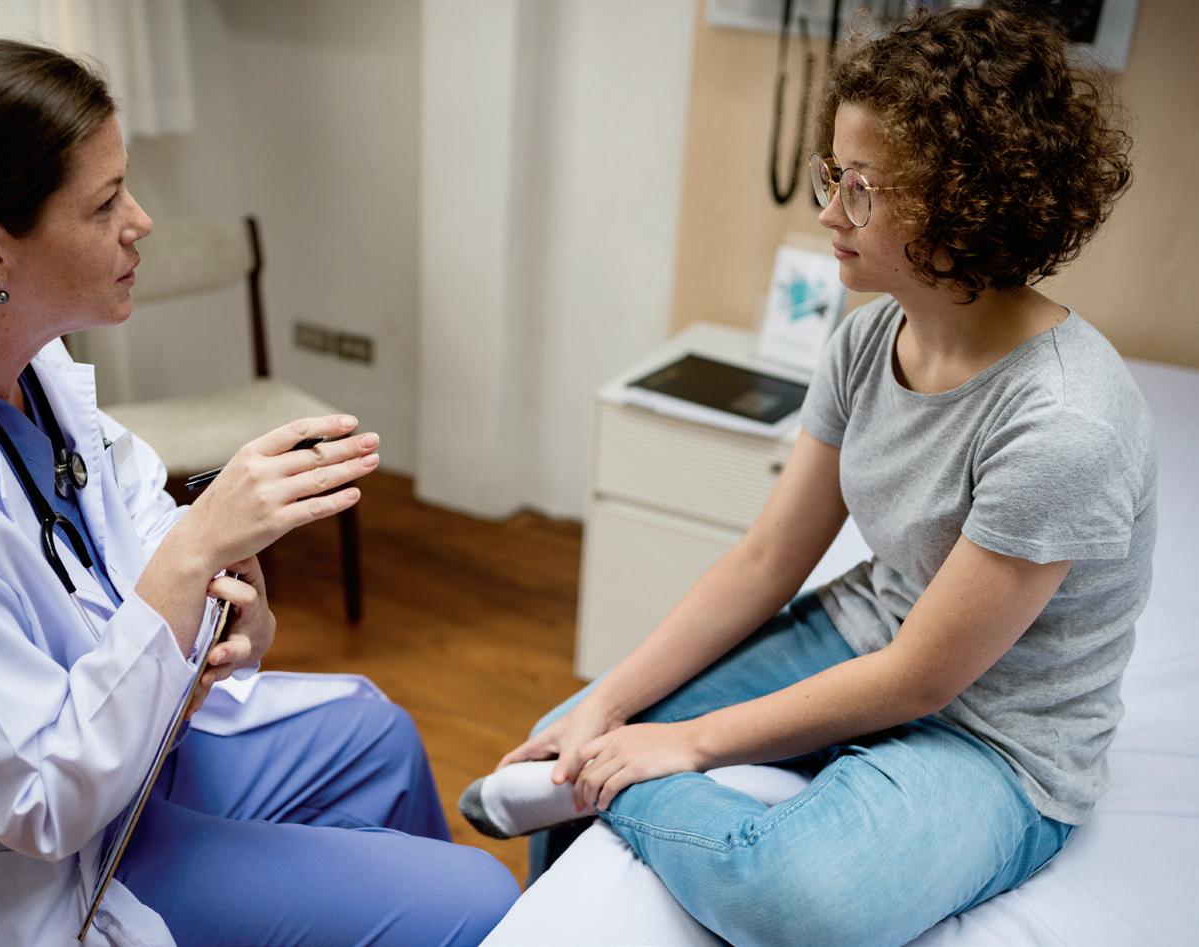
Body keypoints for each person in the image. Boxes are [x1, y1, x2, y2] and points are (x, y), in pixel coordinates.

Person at [0, 38, 516, 946]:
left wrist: (231, 607)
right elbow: (40, 797)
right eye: (105, 202)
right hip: (4, 861)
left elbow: (134, 526)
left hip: (124, 761)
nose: (140, 222)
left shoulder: (22, 363)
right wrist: (199, 549)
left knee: (377, 738)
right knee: (477, 897)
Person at [461, 6, 1148, 945]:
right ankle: (586, 788)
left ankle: (597, 793)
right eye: (833, 175)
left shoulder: (1065, 422)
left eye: (861, 190)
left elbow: (920, 679)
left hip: (996, 735)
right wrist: (609, 703)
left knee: (793, 897)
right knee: (572, 729)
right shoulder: (867, 340)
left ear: (966, 201)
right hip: (866, 633)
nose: (827, 213)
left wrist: (681, 743)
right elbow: (766, 559)